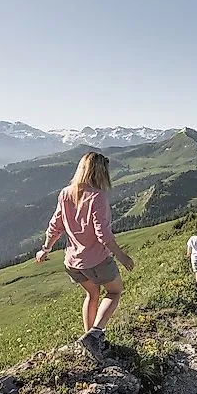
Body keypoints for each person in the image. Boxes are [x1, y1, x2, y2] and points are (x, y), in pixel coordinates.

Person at [36, 151, 134, 362]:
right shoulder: (97, 196)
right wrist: (122, 256)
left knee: (91, 295)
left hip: (72, 262)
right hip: (97, 260)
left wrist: (45, 248)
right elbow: (104, 235)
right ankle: (96, 334)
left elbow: (56, 225)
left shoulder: (65, 193)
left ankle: (89, 340)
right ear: (99, 172)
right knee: (115, 292)